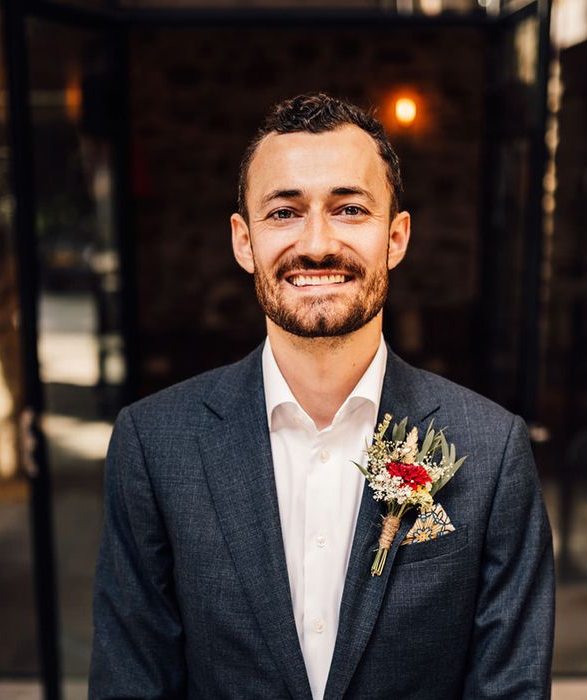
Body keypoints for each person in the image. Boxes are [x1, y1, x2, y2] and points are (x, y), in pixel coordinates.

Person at [89, 93, 554, 699]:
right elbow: (131, 683)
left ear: (396, 237)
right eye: (284, 212)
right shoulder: (153, 445)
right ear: (243, 240)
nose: (316, 243)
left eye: (350, 209)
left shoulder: (492, 450)